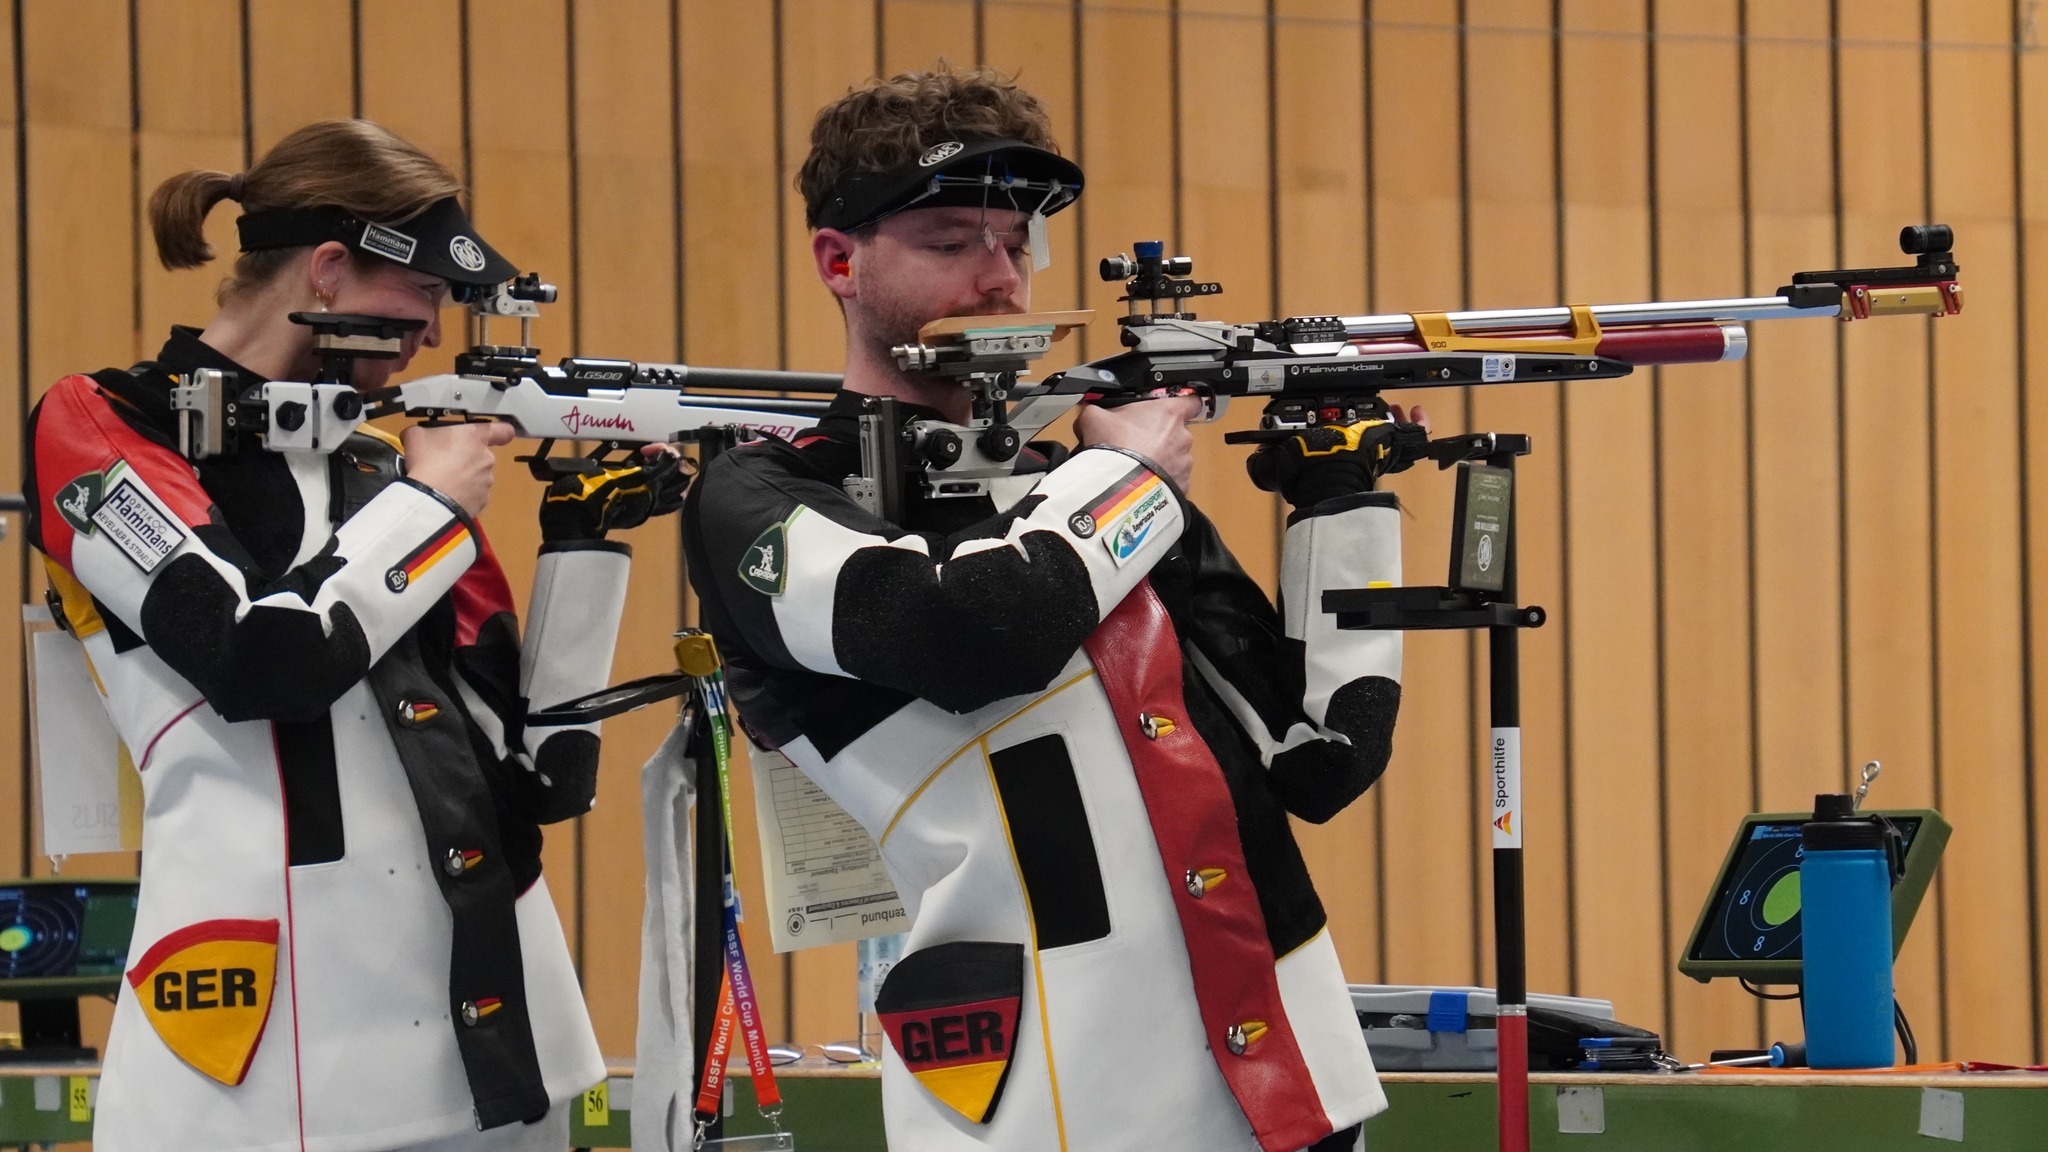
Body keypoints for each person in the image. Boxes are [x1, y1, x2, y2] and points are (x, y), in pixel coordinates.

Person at [683, 67, 1417, 1152]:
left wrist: (1341, 500)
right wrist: (1132, 481)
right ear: (838, 261)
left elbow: (1319, 760)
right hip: (1045, 1090)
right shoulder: (758, 496)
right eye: (948, 241)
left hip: (1290, 1084)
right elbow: (971, 634)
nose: (998, 279)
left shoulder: (1085, 487)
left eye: (1016, 242)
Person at [24, 119, 681, 1152]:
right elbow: (259, 657)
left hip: (505, 1030)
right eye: (421, 293)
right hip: (270, 1046)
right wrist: (432, 507)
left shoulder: (376, 470)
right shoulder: (106, 423)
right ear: (329, 270)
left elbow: (541, 773)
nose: (431, 331)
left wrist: (581, 539)